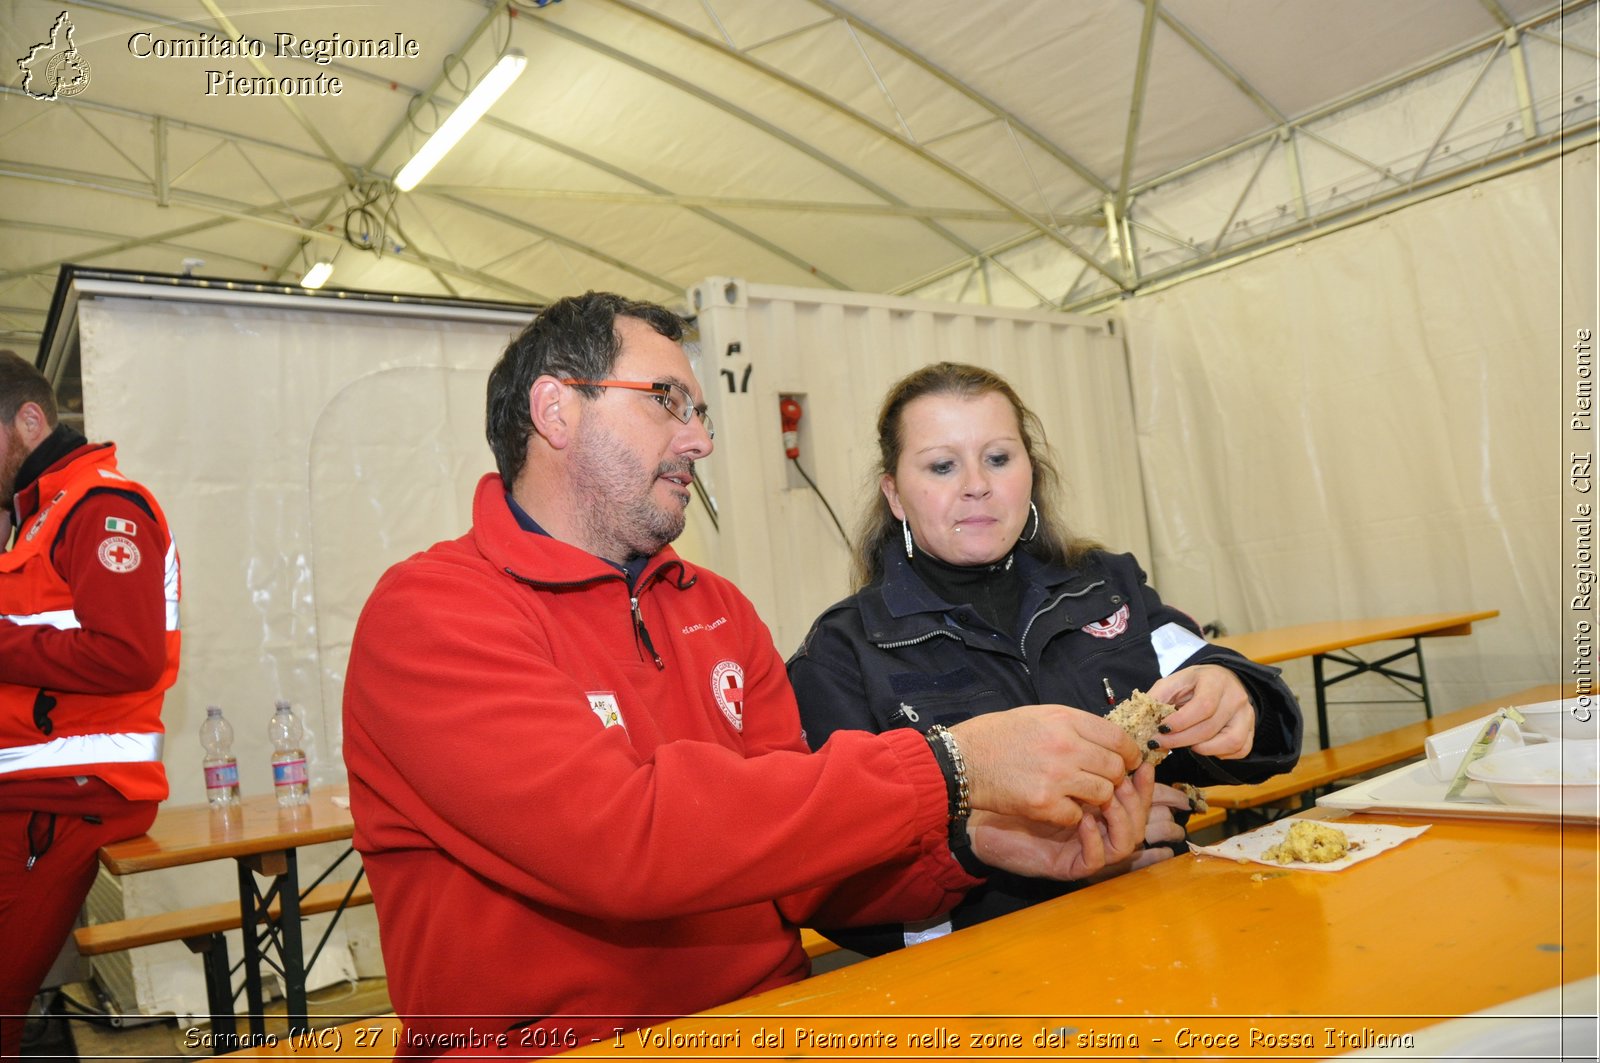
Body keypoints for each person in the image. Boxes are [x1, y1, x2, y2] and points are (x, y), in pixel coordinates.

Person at [342, 293, 1158, 1058]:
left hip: (772, 1023)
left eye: (699, 411)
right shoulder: (433, 611)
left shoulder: (717, 607)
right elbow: (623, 845)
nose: (699, 439)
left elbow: (806, 865)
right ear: (556, 409)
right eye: (667, 399)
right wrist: (952, 766)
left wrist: (986, 848)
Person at [788, 361, 1302, 955]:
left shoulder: (1106, 588)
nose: (976, 483)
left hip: (1163, 940)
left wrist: (1238, 701)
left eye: (999, 458)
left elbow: (1272, 738)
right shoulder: (842, 654)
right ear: (895, 494)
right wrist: (1016, 856)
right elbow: (833, 888)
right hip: (993, 983)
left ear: (1030, 473)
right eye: (942, 465)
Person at [0, 351, 180, 1053]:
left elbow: (125, 653)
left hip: (73, 795)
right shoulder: (37, 519)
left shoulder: (102, 507)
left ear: (30, 418)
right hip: (35, 792)